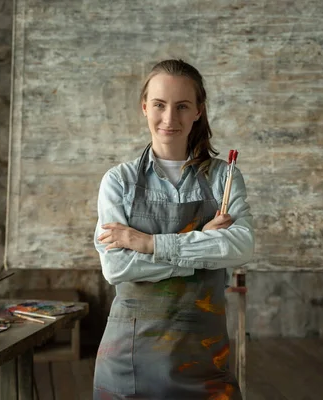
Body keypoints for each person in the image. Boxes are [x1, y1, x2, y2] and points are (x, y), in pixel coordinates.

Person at [93, 59, 254, 400]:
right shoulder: (118, 182)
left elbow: (242, 246)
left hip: (206, 358)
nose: (169, 118)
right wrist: (204, 246)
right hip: (129, 361)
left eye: (182, 106)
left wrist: (149, 243)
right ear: (144, 107)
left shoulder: (224, 178)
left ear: (198, 111)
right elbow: (117, 267)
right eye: (159, 105)